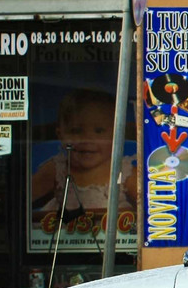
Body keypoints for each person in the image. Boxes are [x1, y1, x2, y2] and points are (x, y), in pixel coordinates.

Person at [31, 88, 139, 217]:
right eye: (76, 131)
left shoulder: (123, 172)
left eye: (99, 131)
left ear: (117, 135)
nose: (87, 139)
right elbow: (21, 200)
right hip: (65, 235)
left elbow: (150, 206)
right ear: (60, 135)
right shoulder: (57, 169)